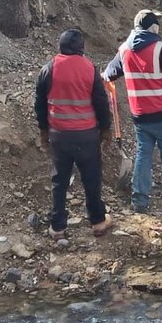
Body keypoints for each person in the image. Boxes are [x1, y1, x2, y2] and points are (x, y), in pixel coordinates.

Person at [104, 9, 162, 214]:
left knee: (143, 154)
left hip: (140, 115)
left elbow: (108, 74)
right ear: (154, 27)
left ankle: (139, 201)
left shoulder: (124, 49)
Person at [35, 28, 114, 238]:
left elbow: (40, 105)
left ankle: (58, 226)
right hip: (87, 136)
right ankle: (98, 222)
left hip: (59, 136)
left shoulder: (49, 69)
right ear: (81, 47)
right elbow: (101, 102)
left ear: (60, 46)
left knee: (59, 181)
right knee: (91, 178)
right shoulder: (90, 68)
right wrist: (106, 129)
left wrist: (44, 132)